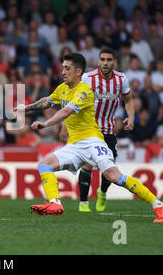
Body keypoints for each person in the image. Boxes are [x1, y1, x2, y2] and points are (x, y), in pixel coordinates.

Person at [15, 53, 163, 223]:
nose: (63, 72)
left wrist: (46, 123)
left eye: (67, 69)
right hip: (75, 145)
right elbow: (48, 101)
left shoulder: (85, 91)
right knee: (44, 165)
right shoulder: (62, 88)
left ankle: (158, 204)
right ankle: (55, 203)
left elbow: (66, 111)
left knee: (113, 176)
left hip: (92, 141)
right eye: (62, 68)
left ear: (78, 71)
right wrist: (27, 107)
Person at [60, 48, 135, 212]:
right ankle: (83, 203)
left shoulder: (121, 79)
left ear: (114, 62)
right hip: (89, 129)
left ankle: (102, 192)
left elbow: (128, 100)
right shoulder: (87, 78)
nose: (105, 63)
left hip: (109, 129)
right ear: (99, 61)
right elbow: (72, 103)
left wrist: (131, 116)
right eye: (103, 60)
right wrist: (65, 127)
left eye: (109, 60)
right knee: (87, 165)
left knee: (110, 167)